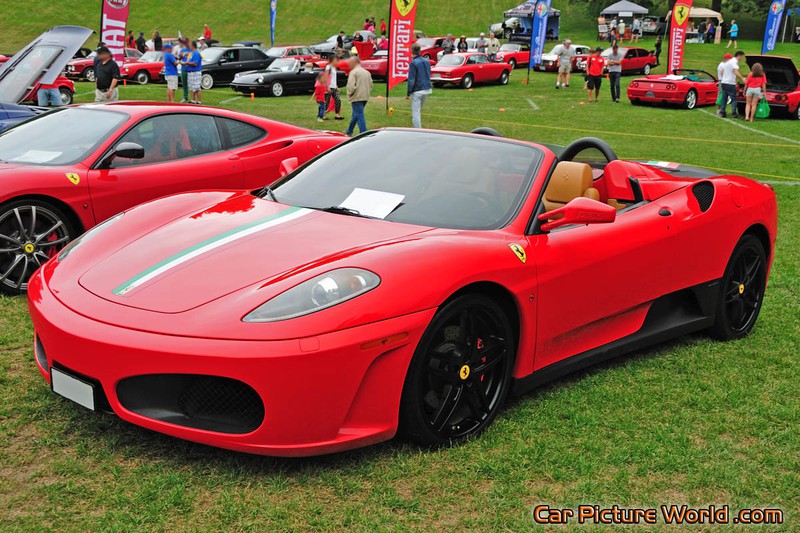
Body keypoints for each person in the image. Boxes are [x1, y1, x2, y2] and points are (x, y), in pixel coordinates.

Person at [345, 57, 373, 136]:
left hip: (356, 96)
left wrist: (350, 93)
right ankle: (349, 130)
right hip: (365, 96)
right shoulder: (367, 72)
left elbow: (351, 86)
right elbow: (371, 84)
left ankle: (363, 133)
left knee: (359, 115)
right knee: (356, 114)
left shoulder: (353, 72)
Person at [406, 43, 432, 128]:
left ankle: (418, 130)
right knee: (418, 110)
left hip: (418, 90)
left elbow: (411, 80)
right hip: (427, 88)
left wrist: (408, 92)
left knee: (416, 112)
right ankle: (417, 127)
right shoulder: (426, 61)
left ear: (412, 51)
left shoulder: (414, 63)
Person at [719, 51, 746, 118]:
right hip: (730, 83)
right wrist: (742, 78)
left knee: (724, 98)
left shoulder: (728, 62)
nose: (741, 59)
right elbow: (735, 71)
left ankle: (722, 112)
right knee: (733, 98)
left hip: (724, 82)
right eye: (741, 57)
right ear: (739, 56)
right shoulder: (734, 62)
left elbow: (723, 71)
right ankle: (734, 113)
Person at [181, 40, 203, 104]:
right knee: (191, 87)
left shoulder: (196, 53)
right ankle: (192, 100)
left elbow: (195, 63)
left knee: (197, 87)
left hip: (195, 72)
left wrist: (187, 63)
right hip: (190, 72)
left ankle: (199, 101)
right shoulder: (191, 53)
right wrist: (185, 63)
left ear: (193, 46)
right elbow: (189, 60)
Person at [178, 38, 191, 103]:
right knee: (184, 84)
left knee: (191, 84)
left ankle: (193, 98)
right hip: (183, 69)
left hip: (190, 69)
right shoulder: (182, 50)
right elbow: (179, 58)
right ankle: (185, 97)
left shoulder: (192, 49)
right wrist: (180, 56)